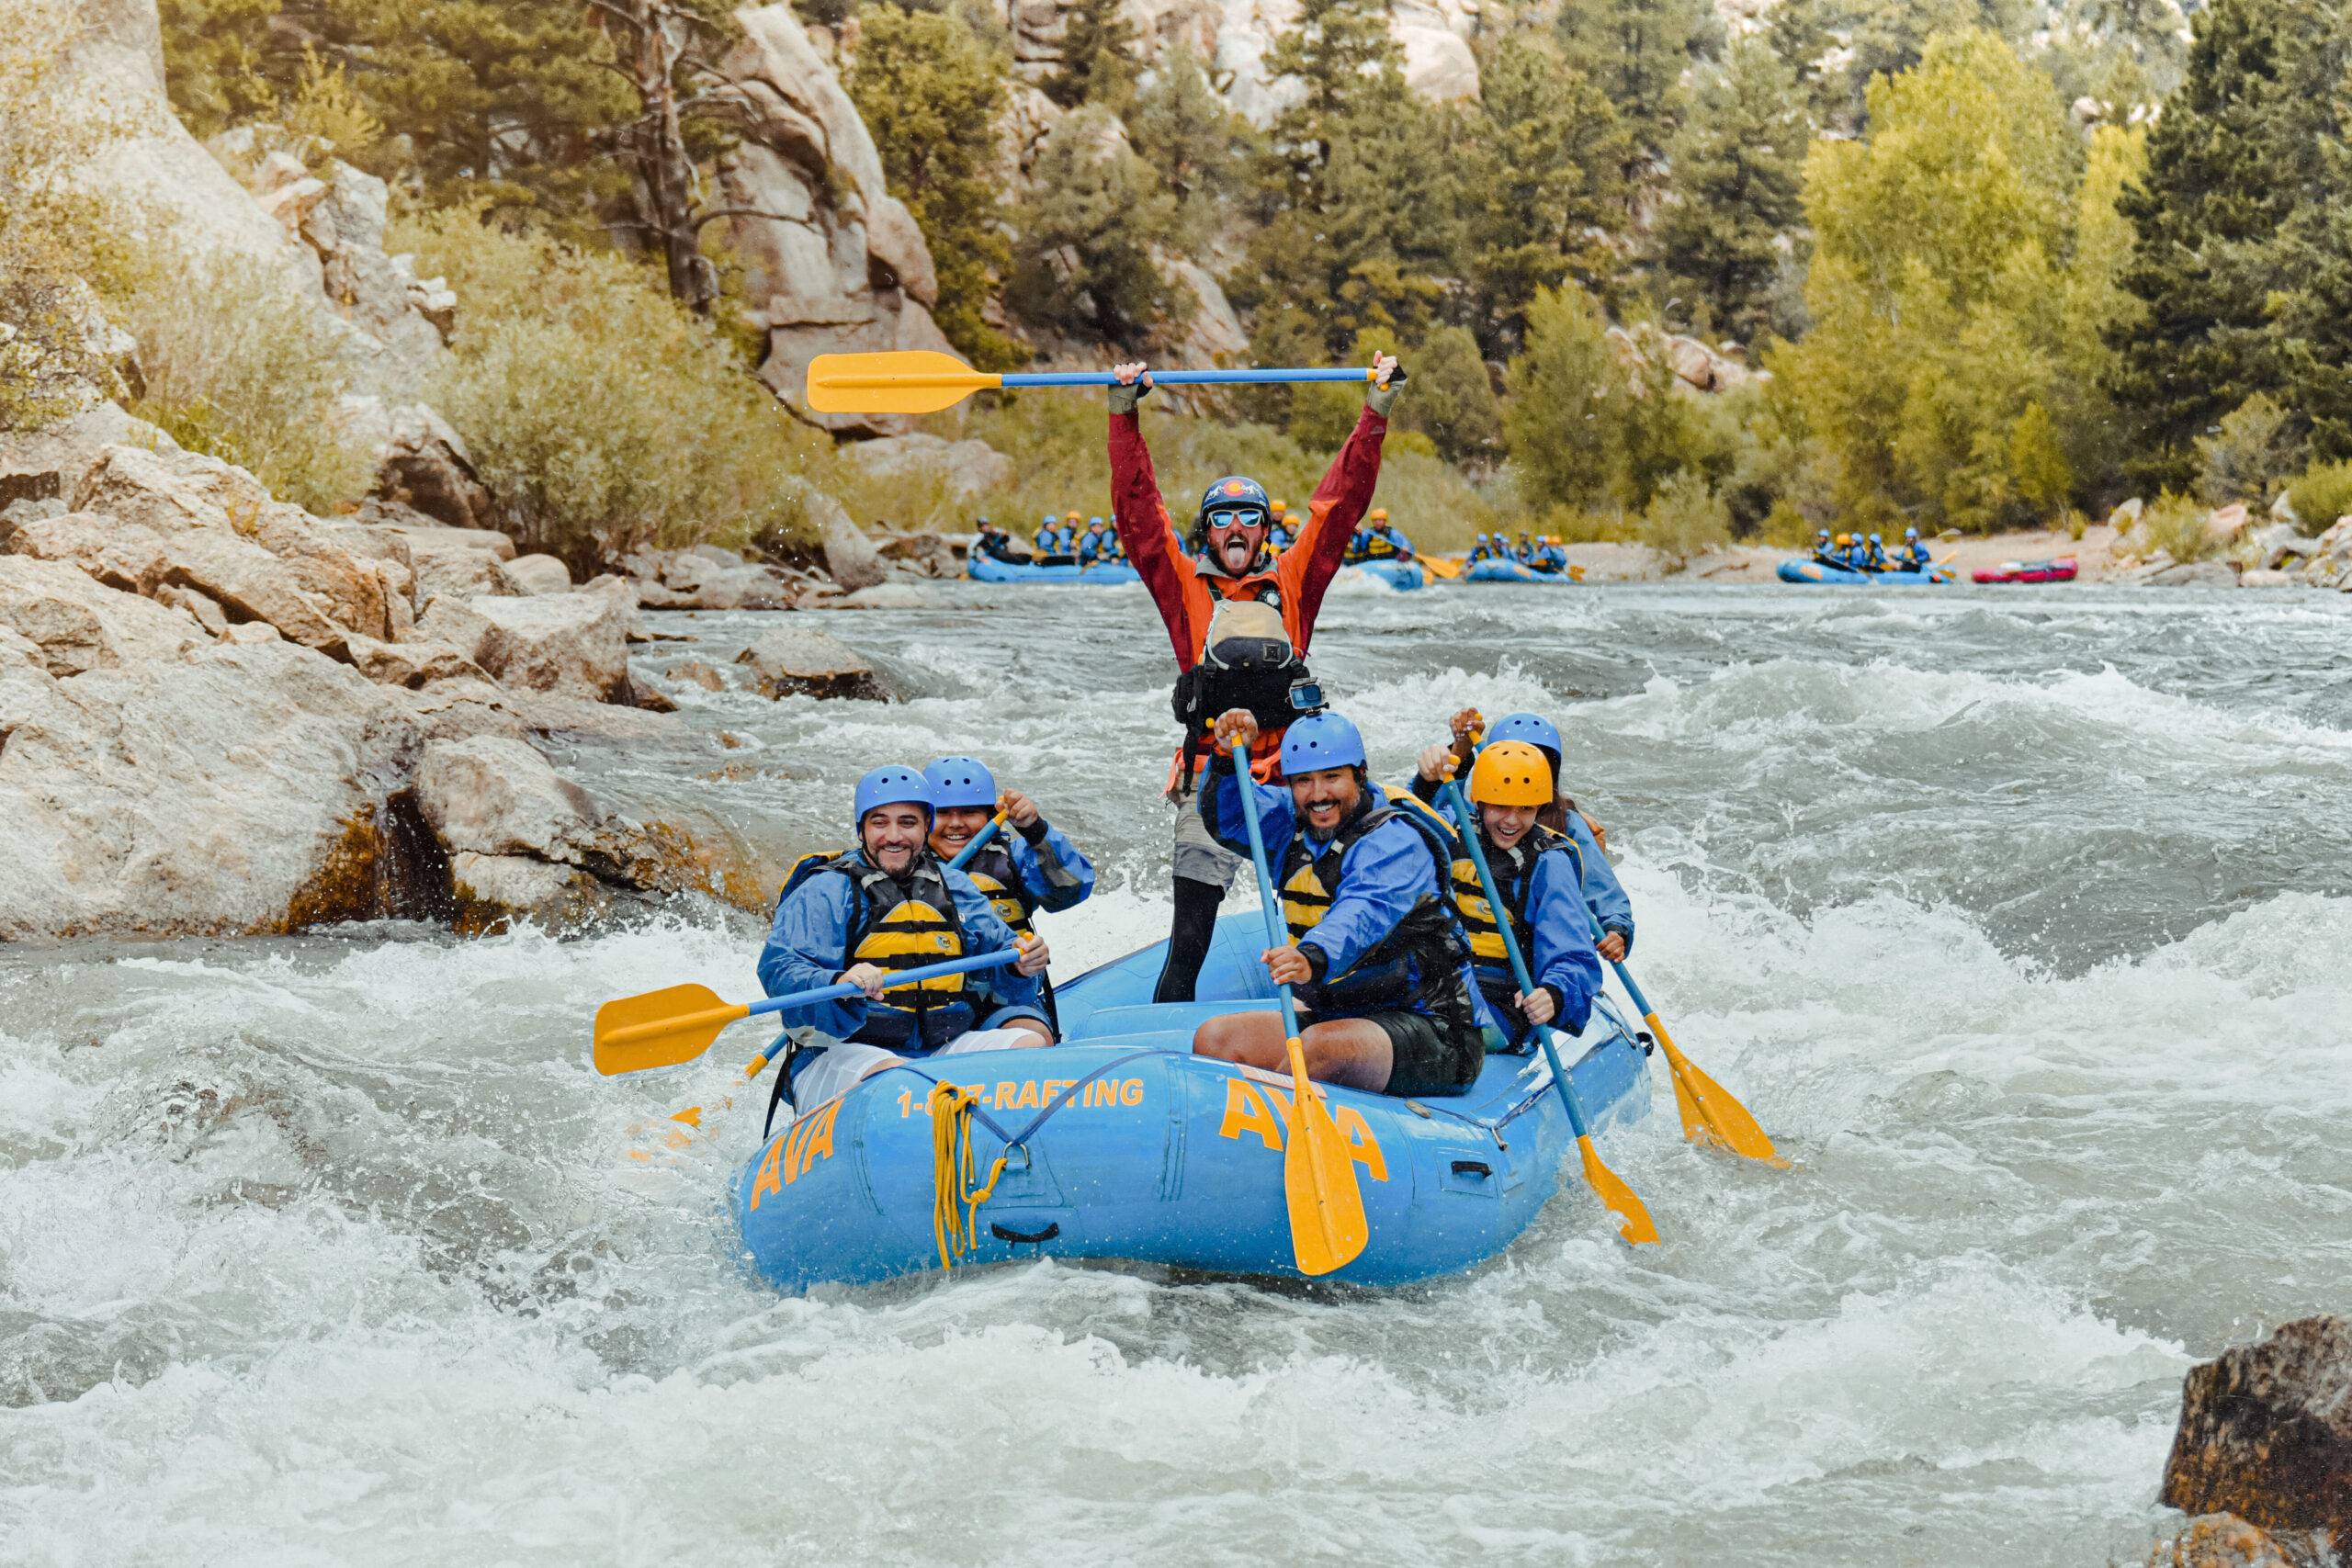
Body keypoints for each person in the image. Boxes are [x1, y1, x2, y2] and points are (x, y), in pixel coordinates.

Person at [1107, 352, 1402, 1003]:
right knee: (1189, 939)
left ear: (1266, 531)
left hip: (1302, 777)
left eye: (1249, 517)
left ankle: (1334, 1017)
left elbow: (1340, 503)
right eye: (1221, 516)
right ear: (1206, 531)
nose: (1235, 527)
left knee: (1320, 917)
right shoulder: (1183, 584)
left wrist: (1375, 409)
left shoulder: (1295, 578)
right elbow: (1138, 515)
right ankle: (1169, 1045)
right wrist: (1124, 414)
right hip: (1214, 772)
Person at [1192, 709, 1488, 1096]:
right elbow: (1228, 816)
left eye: (1332, 777)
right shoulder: (1293, 821)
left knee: (1318, 1050)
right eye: (1303, 782)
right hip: (1341, 1011)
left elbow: (1362, 913)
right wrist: (1228, 756)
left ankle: (1267, 1136)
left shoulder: (1396, 841)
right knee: (1214, 1038)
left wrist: (1311, 956)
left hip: (1434, 1027)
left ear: (1359, 776)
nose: (1318, 795)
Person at [758, 765, 1056, 1116]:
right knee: (897, 1082)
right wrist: (838, 981)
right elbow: (779, 969)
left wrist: (1021, 964)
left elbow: (1000, 960)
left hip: (941, 1047)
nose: (894, 836)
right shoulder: (826, 889)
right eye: (880, 823)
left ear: (926, 827)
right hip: (848, 1054)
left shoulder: (954, 886)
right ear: (862, 829)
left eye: (908, 822)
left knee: (1029, 1045)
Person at [1410, 736, 1603, 1048]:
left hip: (1500, 1007)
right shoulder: (1448, 831)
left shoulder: (1549, 863)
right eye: (1500, 805)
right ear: (1479, 800)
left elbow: (1574, 953)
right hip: (1430, 987)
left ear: (1540, 807)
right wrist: (1425, 783)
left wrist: (1553, 993)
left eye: (1525, 808)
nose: (1512, 820)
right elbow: (1397, 830)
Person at [1416, 708, 1634, 964]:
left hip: (1536, 943)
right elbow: (1426, 811)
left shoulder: (1568, 824)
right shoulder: (1469, 816)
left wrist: (1617, 931)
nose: (1520, 775)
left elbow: (1603, 889)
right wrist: (1460, 753)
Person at [923, 755, 1095, 1033]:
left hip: (1005, 1003)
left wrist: (1035, 830)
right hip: (928, 1006)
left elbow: (1071, 889)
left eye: (969, 812)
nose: (955, 823)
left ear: (992, 816)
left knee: (1032, 1033)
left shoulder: (1016, 858)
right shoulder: (903, 866)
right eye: (943, 813)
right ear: (922, 819)